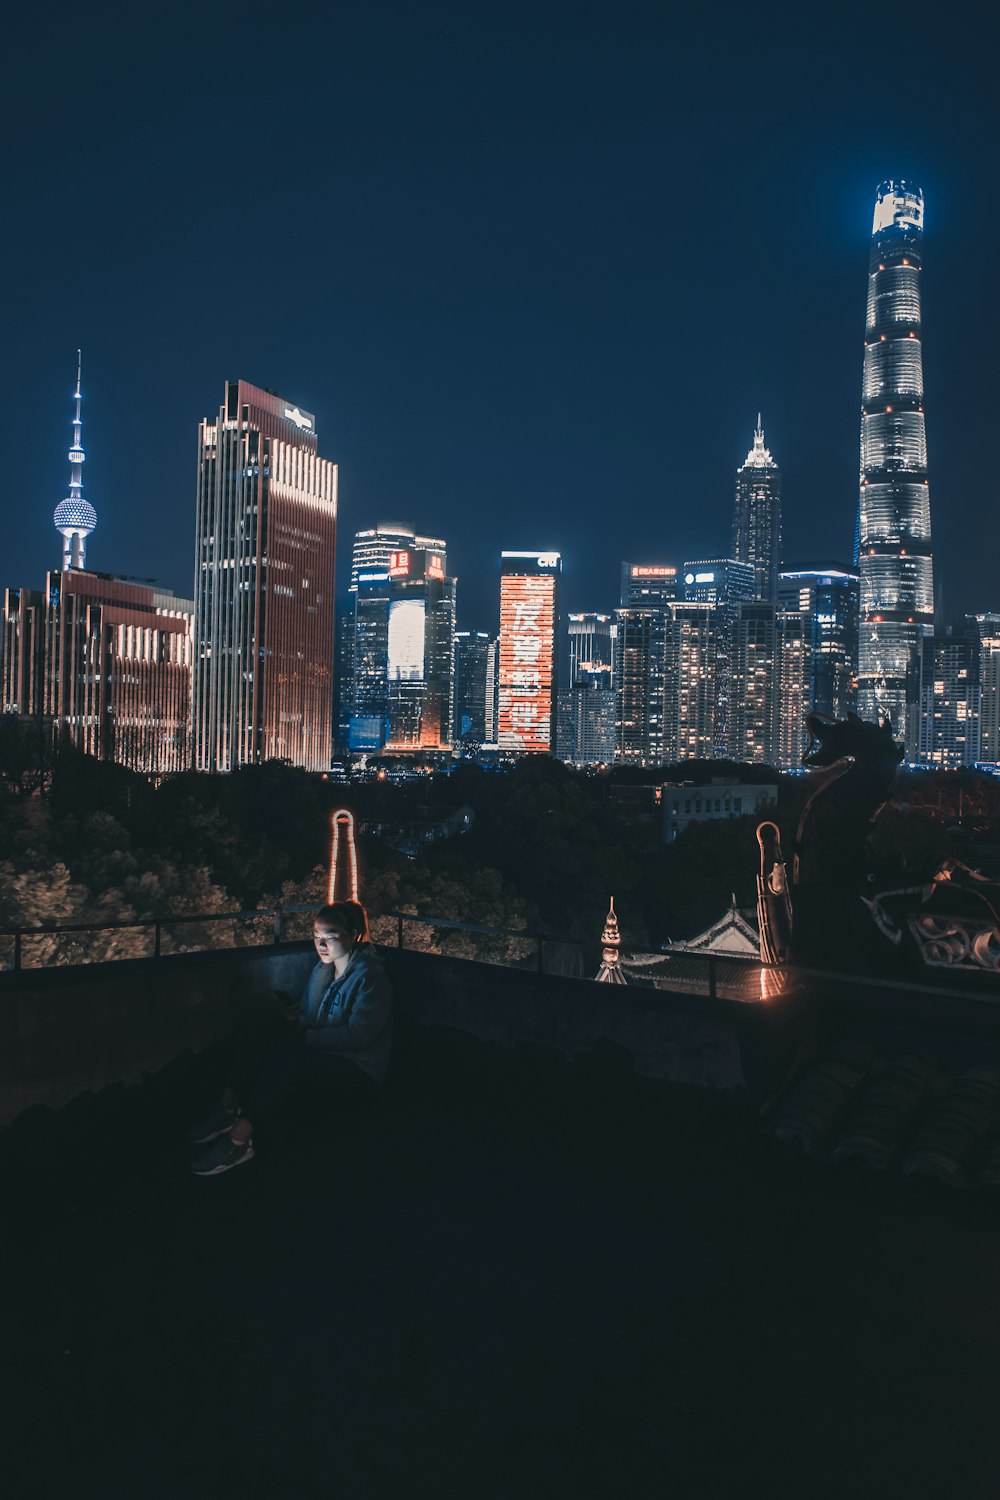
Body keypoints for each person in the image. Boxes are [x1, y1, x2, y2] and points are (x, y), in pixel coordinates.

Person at [187, 900, 393, 1176]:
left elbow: (358, 1036)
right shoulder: (323, 969)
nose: (321, 945)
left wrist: (305, 1037)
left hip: (357, 1069)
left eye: (330, 937)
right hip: (322, 1050)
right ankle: (228, 1106)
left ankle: (238, 1141)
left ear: (354, 935)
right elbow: (309, 1015)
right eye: (317, 936)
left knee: (290, 1057)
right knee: (261, 1026)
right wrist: (294, 1021)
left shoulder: (371, 978)